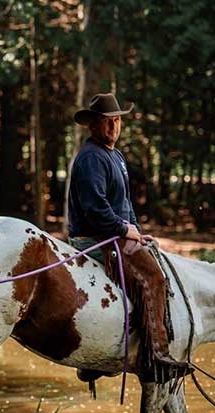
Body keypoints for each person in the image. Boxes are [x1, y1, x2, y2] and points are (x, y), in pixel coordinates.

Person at [68, 93, 186, 381]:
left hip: (115, 234)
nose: (113, 127)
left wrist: (137, 233)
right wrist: (123, 230)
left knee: (153, 267)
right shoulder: (91, 158)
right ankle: (157, 354)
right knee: (154, 279)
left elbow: (125, 204)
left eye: (117, 121)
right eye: (107, 122)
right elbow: (95, 208)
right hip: (96, 239)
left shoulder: (115, 155)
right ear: (93, 125)